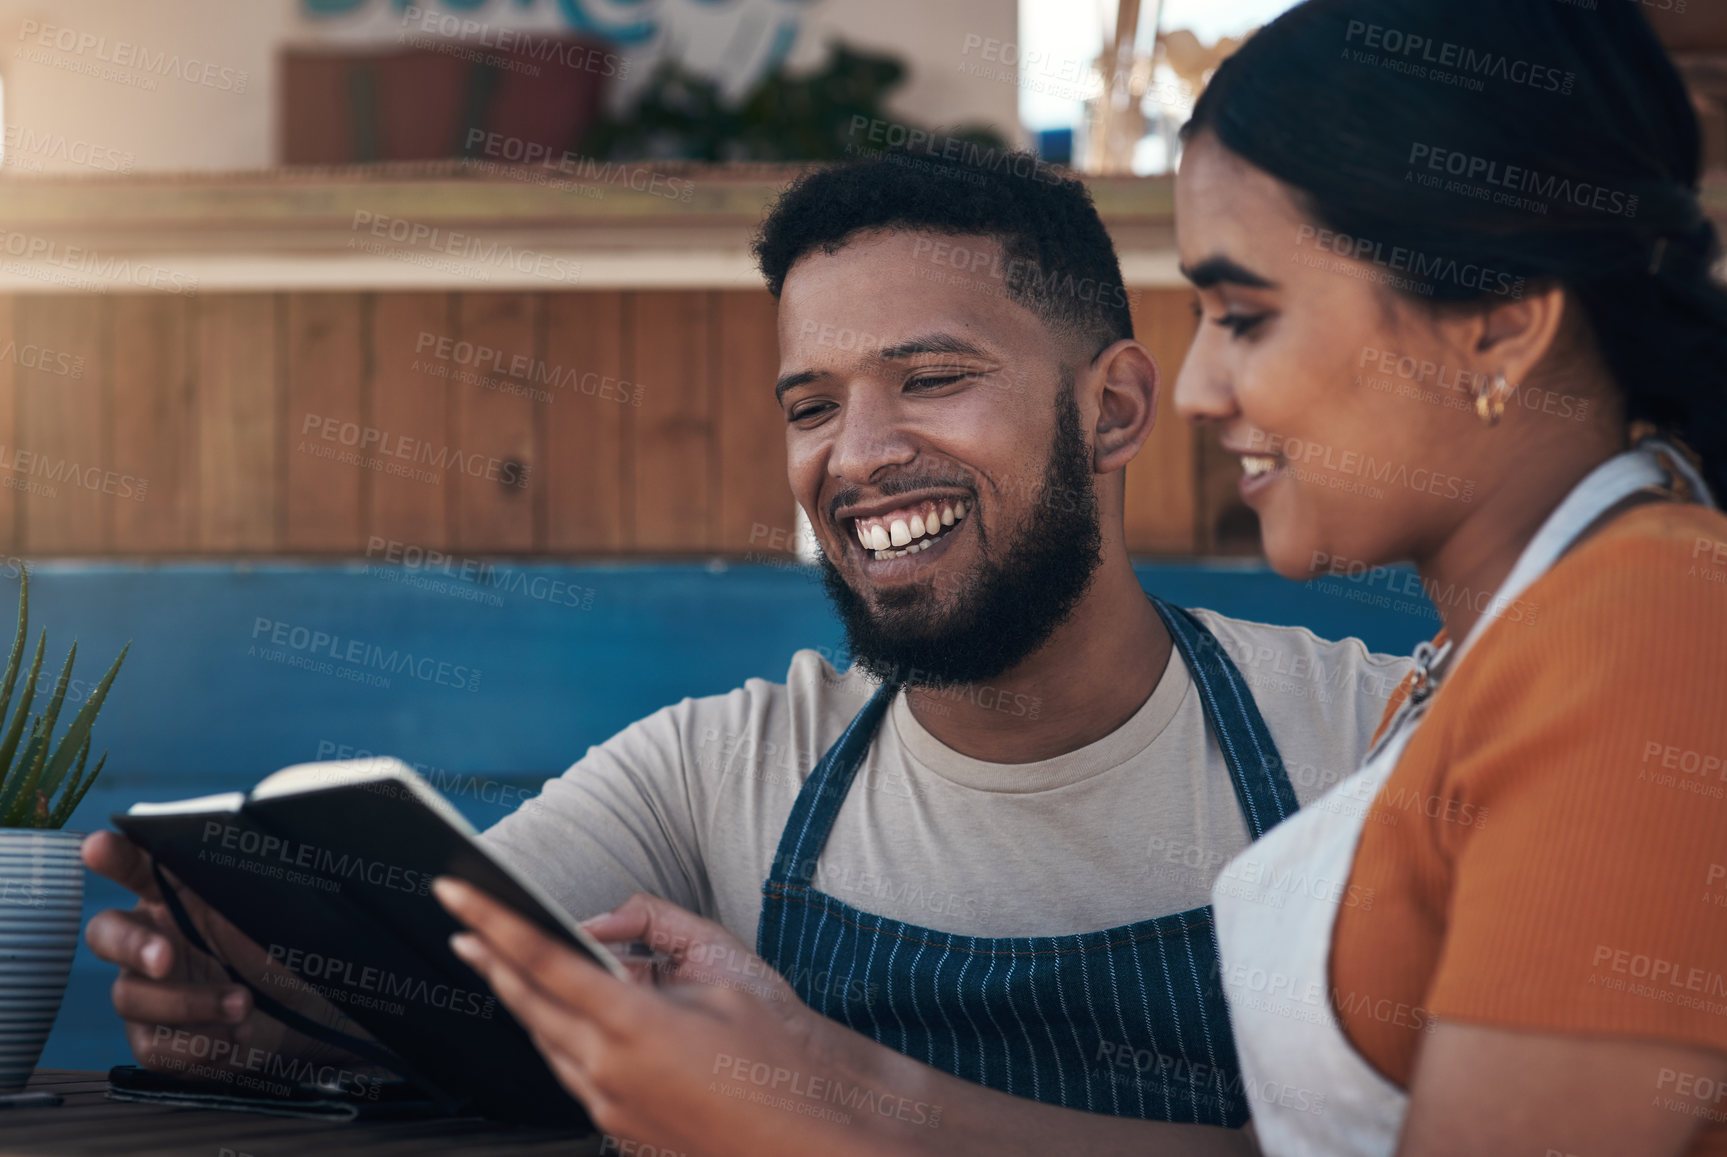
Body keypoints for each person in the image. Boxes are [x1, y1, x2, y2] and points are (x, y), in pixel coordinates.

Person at [431, 1, 1727, 1155]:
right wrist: (821, 1070)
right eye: (812, 402)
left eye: (1248, 315)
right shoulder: (1476, 664)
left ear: (1501, 323)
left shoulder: (1643, 628)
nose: (1206, 387)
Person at [79, 126, 1410, 1133]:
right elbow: (456, 988)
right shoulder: (713, 772)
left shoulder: (1368, 738)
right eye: (811, 404)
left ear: (1115, 409)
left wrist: (838, 1089)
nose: (862, 454)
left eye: (932, 379)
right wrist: (277, 1013)